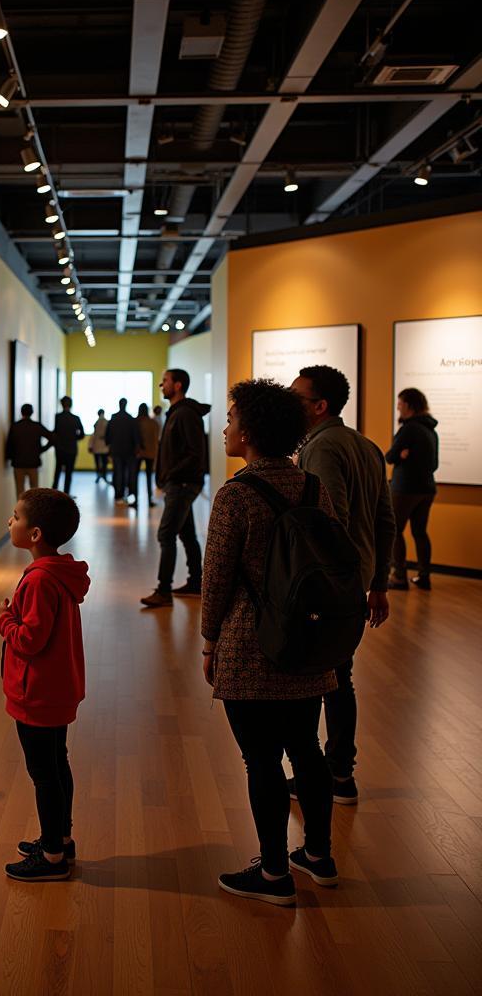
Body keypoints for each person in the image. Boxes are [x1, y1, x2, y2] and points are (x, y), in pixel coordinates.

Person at [203, 379, 339, 906]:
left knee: (260, 759)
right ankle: (319, 855)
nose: (226, 427)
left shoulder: (236, 495)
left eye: (232, 417)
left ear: (251, 430)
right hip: (307, 641)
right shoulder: (312, 487)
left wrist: (209, 641)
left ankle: (275, 873)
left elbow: (216, 579)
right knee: (307, 749)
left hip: (249, 644)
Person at [291, 365, 394, 804]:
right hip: (357, 580)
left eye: (298, 398)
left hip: (330, 584)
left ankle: (326, 775)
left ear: (320, 406)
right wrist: (379, 583)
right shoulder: (367, 446)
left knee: (319, 678)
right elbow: (385, 522)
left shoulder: (321, 448)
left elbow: (332, 521)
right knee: (339, 676)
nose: (290, 405)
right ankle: (339, 774)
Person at [0, 488, 90, 882]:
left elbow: (29, 640)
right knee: (56, 763)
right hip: (57, 688)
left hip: (37, 692)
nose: (9, 522)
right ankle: (60, 837)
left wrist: (3, 618)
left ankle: (51, 856)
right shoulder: (58, 572)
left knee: (43, 773)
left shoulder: (38, 581)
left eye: (15, 517)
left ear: (34, 534)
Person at [141, 370, 210, 606]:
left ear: (178, 385)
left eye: (166, 381)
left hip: (182, 483)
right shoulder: (177, 413)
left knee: (166, 533)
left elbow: (195, 453)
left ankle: (164, 590)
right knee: (187, 533)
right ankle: (196, 582)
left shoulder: (186, 414)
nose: (162, 384)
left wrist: (171, 474)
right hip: (178, 482)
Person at [386, 388, 438, 591]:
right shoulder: (430, 429)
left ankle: (399, 576)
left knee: (394, 530)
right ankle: (424, 576)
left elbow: (389, 456)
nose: (398, 406)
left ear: (408, 405)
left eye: (400, 402)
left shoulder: (409, 429)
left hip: (405, 489)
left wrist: (400, 456)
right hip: (427, 488)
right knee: (420, 532)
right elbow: (434, 465)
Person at [5, 403, 53, 496]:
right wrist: (41, 450)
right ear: (32, 413)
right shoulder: (36, 426)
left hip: (18, 463)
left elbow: (9, 444)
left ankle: (20, 510)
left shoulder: (15, 426)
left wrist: (9, 457)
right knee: (34, 492)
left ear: (21, 412)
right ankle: (34, 510)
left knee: (19, 491)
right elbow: (52, 438)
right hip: (33, 463)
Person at [106, 398, 139, 505]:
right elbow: (135, 436)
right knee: (128, 473)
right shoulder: (130, 419)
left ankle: (118, 495)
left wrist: (109, 444)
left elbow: (108, 434)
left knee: (117, 472)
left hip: (116, 450)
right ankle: (127, 494)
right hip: (129, 451)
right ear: (126, 405)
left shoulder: (113, 418)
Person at [51, 396, 84, 494]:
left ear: (61, 404)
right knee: (68, 473)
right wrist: (74, 438)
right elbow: (82, 434)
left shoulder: (58, 417)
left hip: (60, 448)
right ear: (71, 405)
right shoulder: (76, 418)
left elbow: (55, 433)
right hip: (72, 449)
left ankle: (53, 493)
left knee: (57, 471)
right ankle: (66, 494)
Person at [136, 402, 159, 508]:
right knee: (149, 477)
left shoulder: (136, 422)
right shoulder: (153, 423)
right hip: (151, 453)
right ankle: (149, 500)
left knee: (134, 477)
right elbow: (156, 438)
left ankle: (135, 499)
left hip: (138, 453)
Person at [88, 408, 110, 483]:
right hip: (104, 447)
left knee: (98, 463)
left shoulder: (96, 423)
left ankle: (99, 476)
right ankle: (104, 476)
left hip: (97, 446)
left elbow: (93, 435)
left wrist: (90, 446)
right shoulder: (106, 422)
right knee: (104, 463)